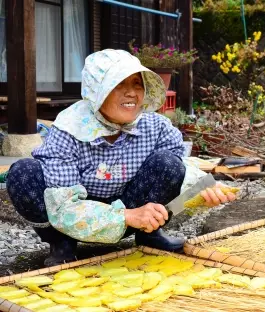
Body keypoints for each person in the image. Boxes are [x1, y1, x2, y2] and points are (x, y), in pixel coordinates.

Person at [5, 49, 236, 267]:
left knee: (169, 163)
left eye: (137, 83)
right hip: (77, 216)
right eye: (119, 83)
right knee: (23, 173)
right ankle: (61, 244)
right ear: (96, 91)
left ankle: (150, 234)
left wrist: (202, 187)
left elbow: (182, 166)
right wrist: (125, 216)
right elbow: (64, 208)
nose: (132, 93)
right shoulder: (69, 130)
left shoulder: (154, 125)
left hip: (133, 207)